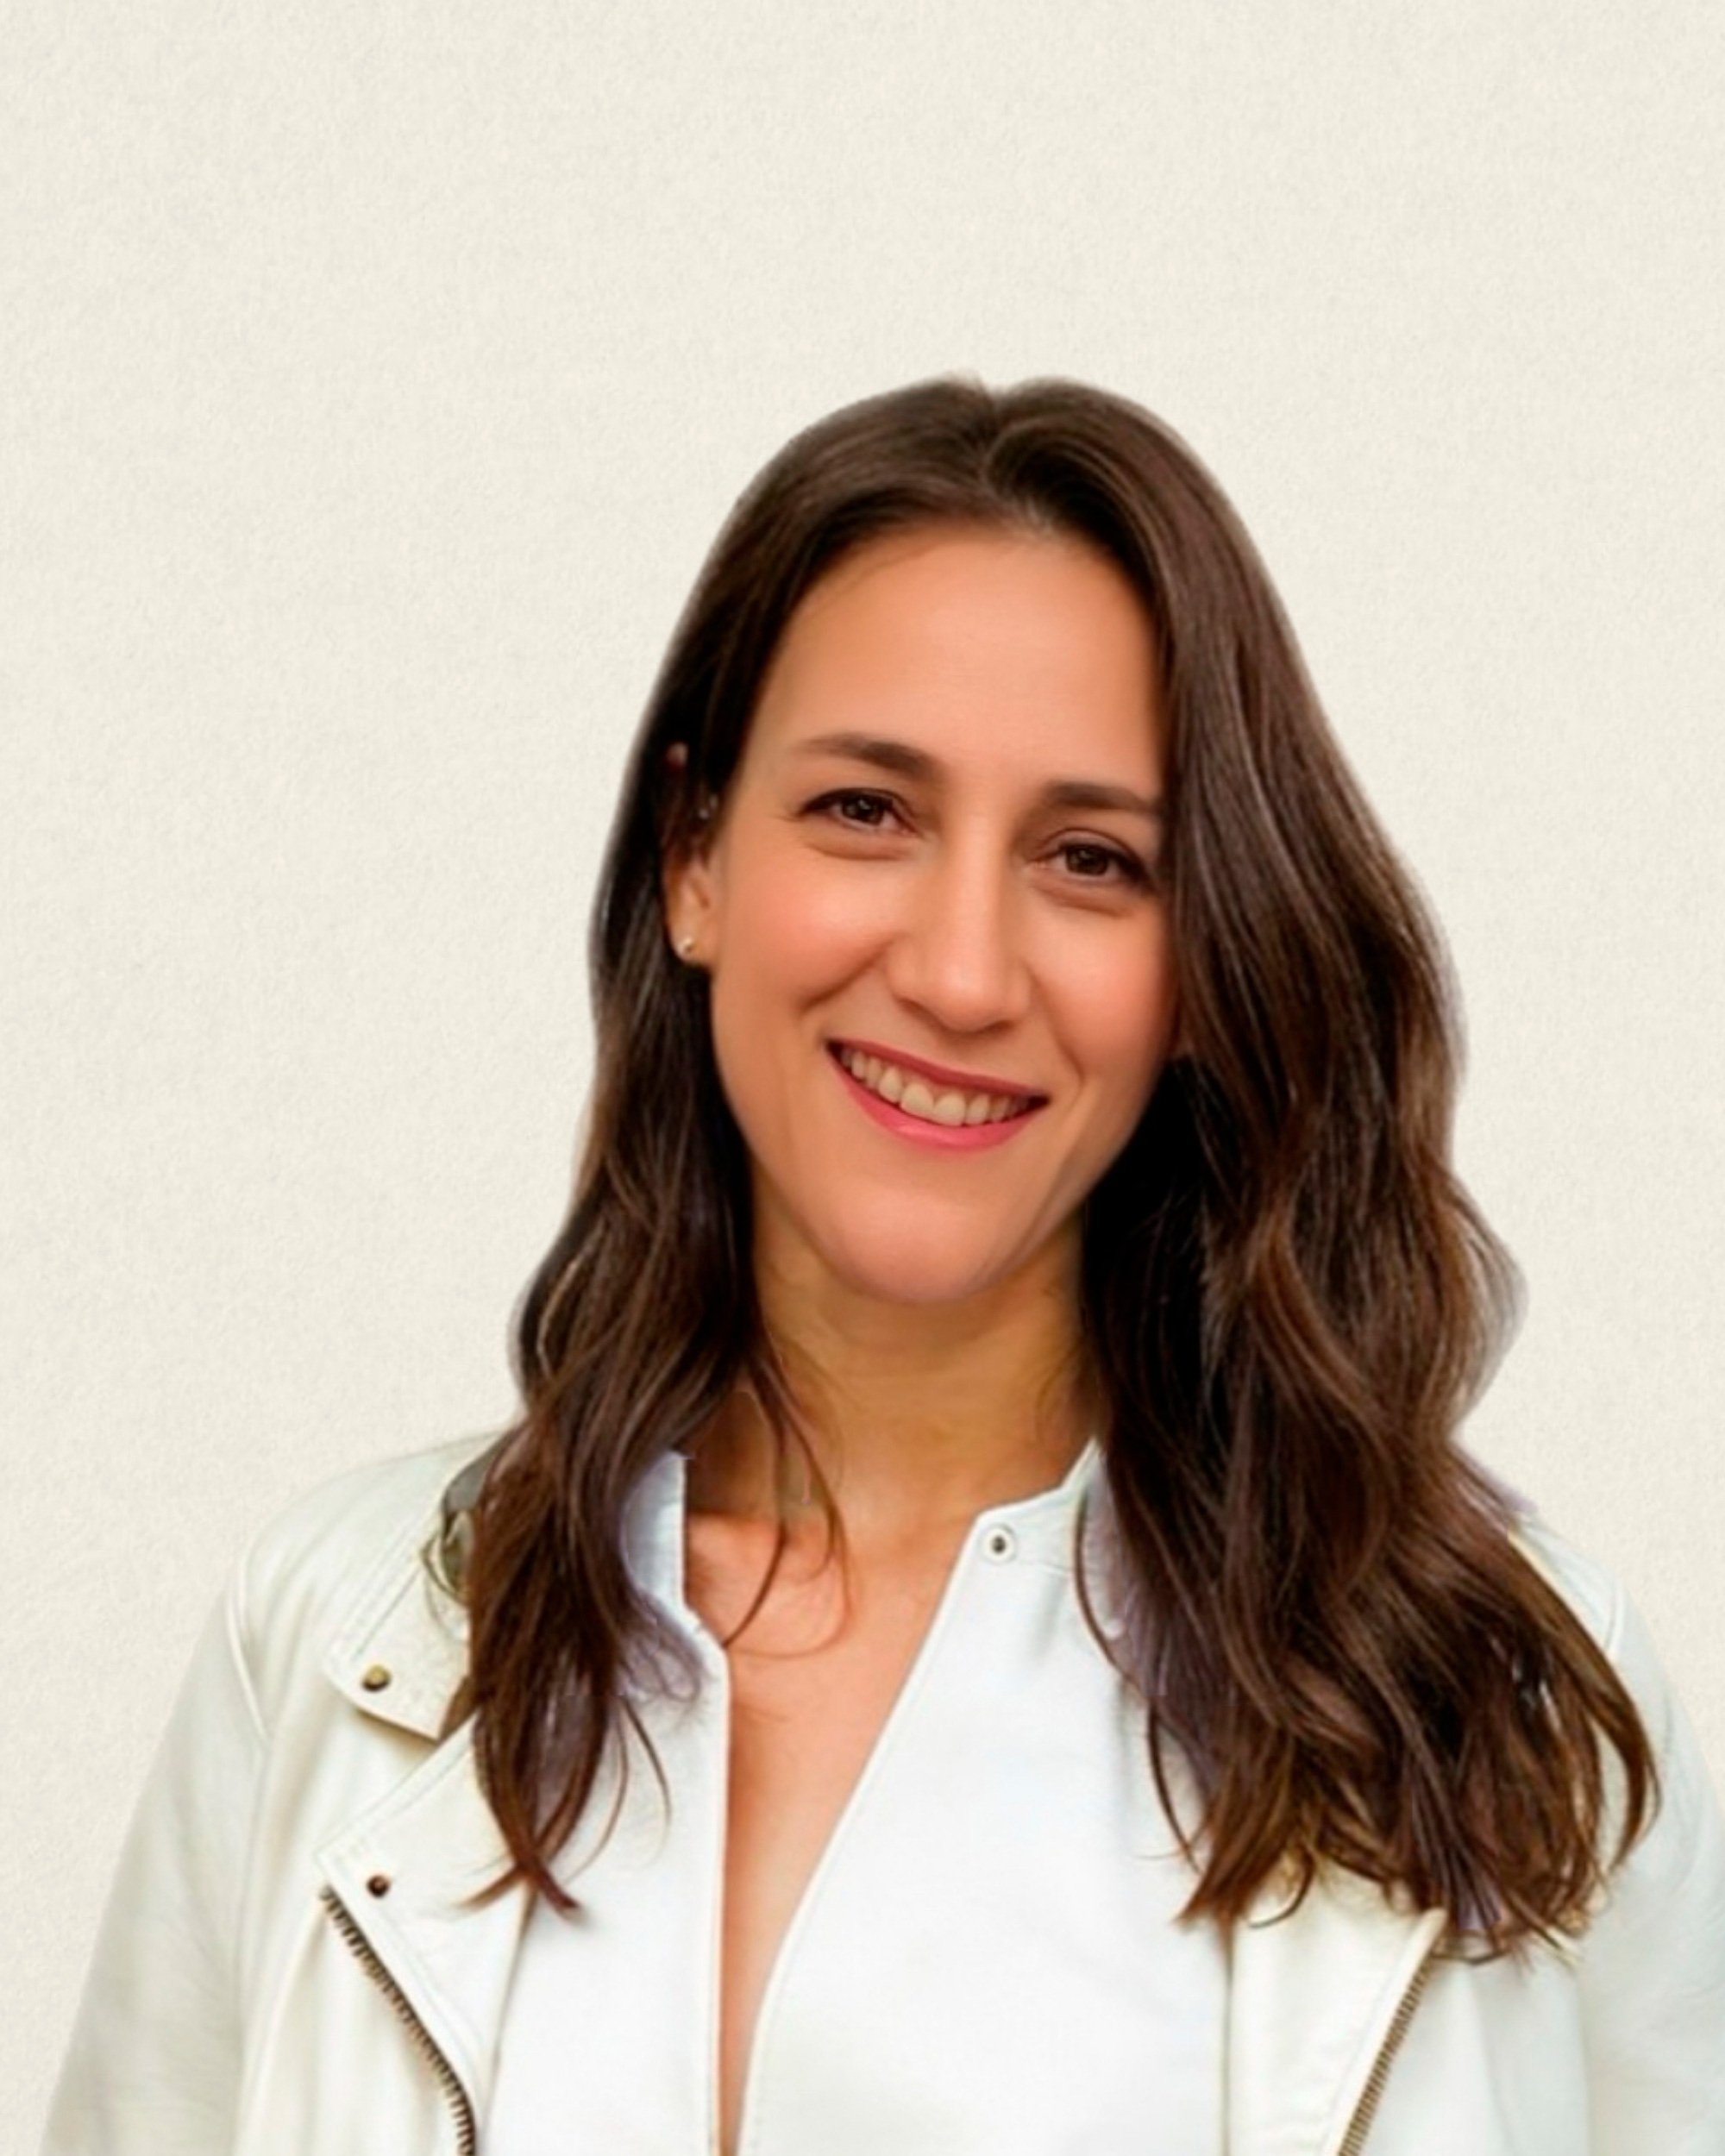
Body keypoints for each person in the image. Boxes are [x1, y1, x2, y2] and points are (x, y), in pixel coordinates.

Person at [44, 378, 1725, 2156]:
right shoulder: (332, 1636)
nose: (961, 969)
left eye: (1091, 858)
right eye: (865, 810)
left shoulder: (1499, 1700)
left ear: (1206, 959)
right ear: (695, 856)